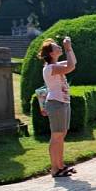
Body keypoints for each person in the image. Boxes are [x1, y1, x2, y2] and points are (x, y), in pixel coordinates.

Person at [39, 37, 77, 178]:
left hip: (63, 103)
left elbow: (73, 63)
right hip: (56, 103)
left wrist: (70, 49)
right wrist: (67, 48)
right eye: (56, 47)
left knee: (61, 135)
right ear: (50, 53)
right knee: (56, 136)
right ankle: (55, 169)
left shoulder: (56, 65)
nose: (59, 48)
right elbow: (71, 67)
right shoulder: (50, 68)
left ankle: (60, 166)